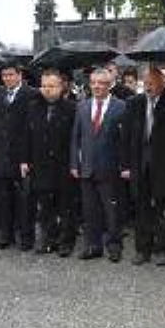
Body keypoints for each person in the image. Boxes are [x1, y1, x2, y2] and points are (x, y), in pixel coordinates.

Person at [120, 67, 165, 267]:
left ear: (162, 83)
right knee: (141, 209)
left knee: (164, 208)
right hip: (140, 163)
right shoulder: (135, 103)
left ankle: (163, 249)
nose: (148, 87)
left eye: (152, 83)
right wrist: (125, 164)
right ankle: (143, 249)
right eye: (146, 83)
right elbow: (126, 137)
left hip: (164, 164)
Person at [70, 68, 126, 262]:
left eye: (101, 83)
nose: (96, 86)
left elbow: (125, 141)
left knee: (112, 211)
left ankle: (114, 245)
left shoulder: (121, 107)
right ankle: (93, 246)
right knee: (89, 210)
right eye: (93, 82)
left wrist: (124, 166)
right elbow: (75, 138)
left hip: (110, 169)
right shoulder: (82, 106)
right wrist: (74, 164)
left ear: (110, 84)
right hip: (86, 168)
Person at [22, 69, 77, 256]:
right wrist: (25, 160)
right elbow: (26, 136)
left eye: (51, 86)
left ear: (61, 87)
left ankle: (66, 241)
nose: (47, 90)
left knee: (65, 206)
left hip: (63, 165)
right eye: (44, 86)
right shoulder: (33, 107)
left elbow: (76, 140)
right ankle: (49, 238)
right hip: (40, 164)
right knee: (45, 206)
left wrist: (75, 164)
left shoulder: (72, 108)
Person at [0, 62, 37, 251]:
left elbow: (31, 127)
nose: (7, 78)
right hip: (0, 153)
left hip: (21, 154)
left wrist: (28, 156)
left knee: (24, 199)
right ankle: (6, 234)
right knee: (3, 197)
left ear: (19, 75)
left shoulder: (31, 94)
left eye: (10, 75)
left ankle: (26, 236)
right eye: (4, 75)